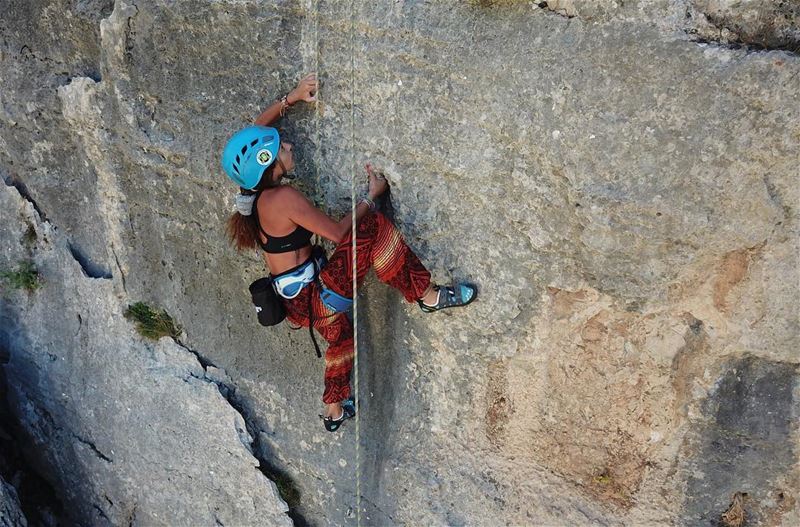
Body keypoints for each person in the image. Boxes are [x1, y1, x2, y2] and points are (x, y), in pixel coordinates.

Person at [222, 73, 477, 432]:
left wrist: (292, 99)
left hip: (297, 302)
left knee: (340, 336)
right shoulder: (283, 199)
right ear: (269, 162)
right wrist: (370, 196)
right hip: (316, 298)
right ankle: (428, 294)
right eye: (282, 147)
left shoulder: (254, 191)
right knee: (370, 228)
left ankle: (333, 410)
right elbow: (340, 232)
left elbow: (251, 136)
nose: (290, 146)